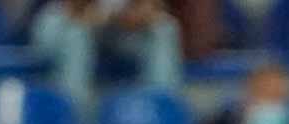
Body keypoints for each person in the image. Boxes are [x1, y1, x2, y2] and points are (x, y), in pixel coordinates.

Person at [29, 0, 184, 105]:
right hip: (62, 23)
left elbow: (151, 7)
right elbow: (73, 9)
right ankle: (75, 108)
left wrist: (132, 15)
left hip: (118, 31)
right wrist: (95, 15)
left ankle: (161, 105)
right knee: (77, 34)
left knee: (164, 28)